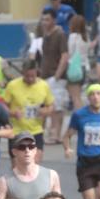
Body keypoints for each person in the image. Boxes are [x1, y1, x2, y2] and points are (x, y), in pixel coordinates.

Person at [3, 60, 54, 157]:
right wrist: (12, 113)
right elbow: (3, 105)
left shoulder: (44, 85)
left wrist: (45, 111)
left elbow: (51, 105)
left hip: (36, 131)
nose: (30, 79)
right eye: (27, 76)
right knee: (17, 167)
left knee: (34, 166)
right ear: (22, 72)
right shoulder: (13, 85)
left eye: (33, 76)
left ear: (37, 72)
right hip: (16, 131)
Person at [38, 9, 69, 147]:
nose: (44, 22)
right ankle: (52, 133)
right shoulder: (45, 34)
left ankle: (56, 135)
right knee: (48, 105)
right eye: (43, 19)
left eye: (47, 20)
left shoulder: (60, 34)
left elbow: (65, 55)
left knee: (57, 107)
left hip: (56, 76)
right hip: (45, 75)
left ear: (54, 20)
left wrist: (57, 74)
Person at [66, 14, 90, 111]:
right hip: (83, 67)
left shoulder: (73, 36)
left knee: (75, 97)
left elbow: (70, 52)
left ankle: (80, 117)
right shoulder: (85, 37)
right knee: (78, 95)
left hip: (74, 68)